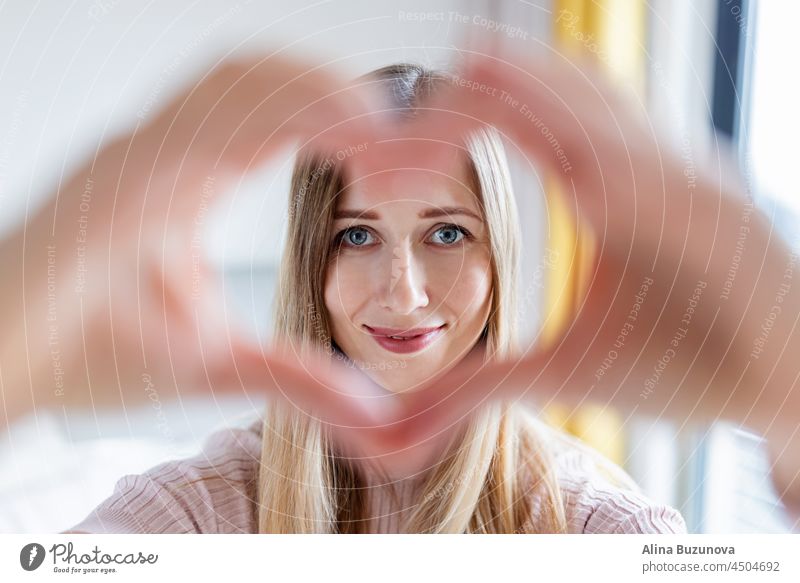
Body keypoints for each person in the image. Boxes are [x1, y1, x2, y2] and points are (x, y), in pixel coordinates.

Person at [0, 49, 795, 531]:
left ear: (501, 258)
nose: (404, 293)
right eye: (356, 235)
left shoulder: (594, 526)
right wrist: (17, 343)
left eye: (447, 232)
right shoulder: (201, 510)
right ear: (311, 260)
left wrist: (785, 384)